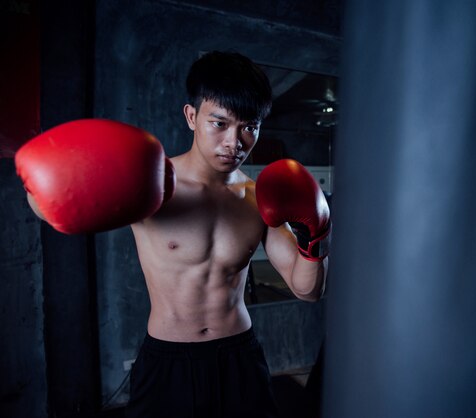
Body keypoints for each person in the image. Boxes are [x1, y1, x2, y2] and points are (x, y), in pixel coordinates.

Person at [16, 51, 331, 417]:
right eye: (220, 123)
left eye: (249, 126)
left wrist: (315, 236)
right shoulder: (151, 184)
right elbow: (44, 202)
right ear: (192, 116)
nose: (235, 142)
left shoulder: (258, 197)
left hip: (239, 357)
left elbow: (307, 291)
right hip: (168, 361)